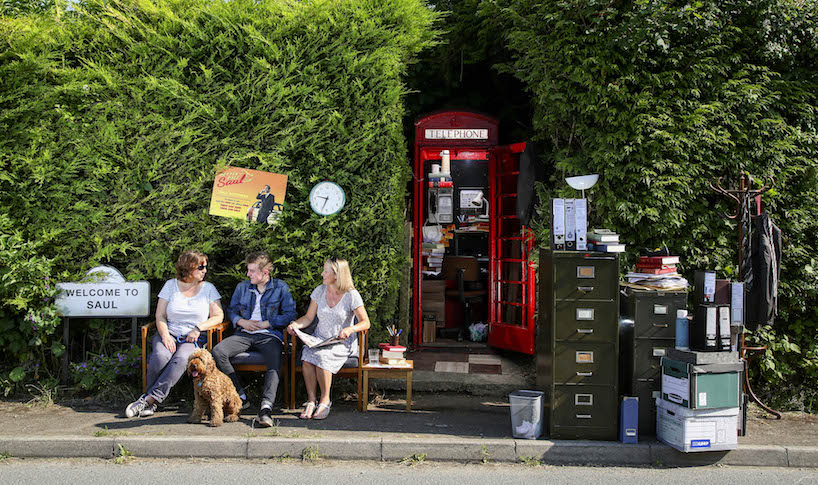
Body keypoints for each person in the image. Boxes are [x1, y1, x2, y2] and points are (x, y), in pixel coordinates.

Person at [126, 250, 223, 418]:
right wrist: (165, 336)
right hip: (169, 332)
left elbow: (218, 316)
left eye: (205, 267)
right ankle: (152, 402)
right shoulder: (170, 286)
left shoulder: (208, 289)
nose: (205, 270)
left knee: (182, 359)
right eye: (201, 267)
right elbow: (160, 316)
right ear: (189, 267)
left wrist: (198, 328)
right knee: (160, 356)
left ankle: (149, 400)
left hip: (192, 338)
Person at [212, 251, 297, 427]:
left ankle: (266, 408)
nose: (248, 274)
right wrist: (242, 321)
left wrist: (268, 323)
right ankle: (240, 397)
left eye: (251, 271)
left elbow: (290, 314)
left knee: (275, 358)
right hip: (244, 333)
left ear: (265, 272)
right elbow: (232, 310)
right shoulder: (242, 287)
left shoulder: (281, 287)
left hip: (269, 335)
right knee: (218, 351)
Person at [286, 257, 370, 420]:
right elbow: (308, 318)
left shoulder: (351, 295)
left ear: (337, 275)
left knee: (322, 357)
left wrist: (350, 329)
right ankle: (311, 400)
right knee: (307, 356)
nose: (322, 273)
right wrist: (295, 325)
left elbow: (366, 322)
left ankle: (325, 400)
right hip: (319, 339)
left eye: (326, 271)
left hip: (341, 342)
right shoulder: (319, 291)